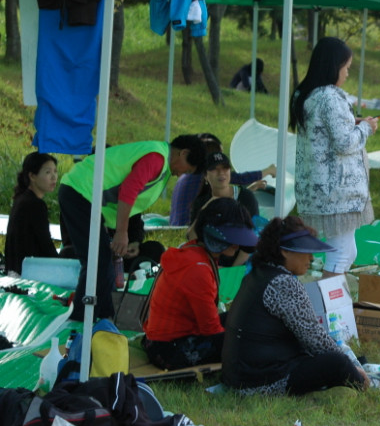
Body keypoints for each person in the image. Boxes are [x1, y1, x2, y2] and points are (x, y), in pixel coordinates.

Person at [222, 216, 380, 395]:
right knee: (337, 362)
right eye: (305, 251)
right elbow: (315, 340)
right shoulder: (283, 283)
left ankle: (358, 369)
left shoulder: (256, 275)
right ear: (284, 252)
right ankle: (370, 384)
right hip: (264, 382)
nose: (311, 258)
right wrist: (351, 369)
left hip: (241, 376)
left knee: (347, 359)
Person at [58, 135, 207, 321]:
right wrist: (122, 233)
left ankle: (107, 315)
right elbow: (128, 191)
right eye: (188, 169)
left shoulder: (162, 163)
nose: (182, 175)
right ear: (183, 153)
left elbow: (131, 203)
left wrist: (131, 238)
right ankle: (80, 317)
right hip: (79, 192)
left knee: (104, 261)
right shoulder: (157, 158)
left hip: (85, 196)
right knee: (97, 260)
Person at [290, 37, 378, 278]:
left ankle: (333, 299)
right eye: (346, 67)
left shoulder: (307, 94)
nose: (347, 73)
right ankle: (328, 301)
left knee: (346, 253)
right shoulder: (330, 97)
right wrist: (366, 128)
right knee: (340, 255)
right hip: (336, 193)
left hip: (319, 190)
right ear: (333, 66)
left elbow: (325, 129)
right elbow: (345, 143)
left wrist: (352, 121)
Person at [143, 198, 257, 370]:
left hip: (157, 341)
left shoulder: (194, 251)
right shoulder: (198, 269)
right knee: (248, 343)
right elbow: (210, 329)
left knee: (241, 318)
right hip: (168, 350)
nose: (237, 245)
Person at [168, 132, 275, 226]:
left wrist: (245, 193)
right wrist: (268, 171)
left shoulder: (191, 175)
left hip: (176, 224)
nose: (221, 172)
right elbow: (240, 179)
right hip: (185, 226)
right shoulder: (200, 174)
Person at [187, 152, 259, 266]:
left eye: (225, 168)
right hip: (209, 263)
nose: (221, 173)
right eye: (214, 169)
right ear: (205, 176)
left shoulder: (245, 197)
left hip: (240, 265)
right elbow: (192, 238)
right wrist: (207, 206)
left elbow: (253, 237)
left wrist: (232, 270)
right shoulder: (201, 202)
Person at [4, 152, 59, 276]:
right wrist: (61, 265)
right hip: (29, 275)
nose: (54, 177)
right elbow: (45, 244)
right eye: (48, 172)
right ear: (32, 176)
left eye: (55, 171)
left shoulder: (22, 199)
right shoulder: (35, 204)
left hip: (14, 270)